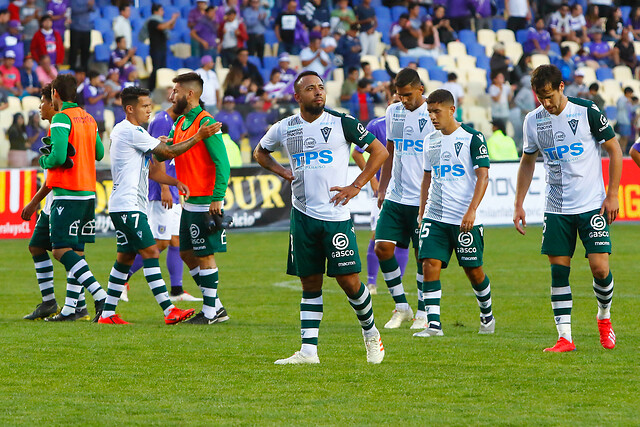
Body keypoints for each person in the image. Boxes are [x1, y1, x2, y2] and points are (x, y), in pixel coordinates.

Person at [254, 70, 388, 364]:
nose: (318, 92)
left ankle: (371, 334)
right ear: (297, 96)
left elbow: (379, 152)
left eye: (321, 87)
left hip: (335, 217)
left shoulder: (342, 123)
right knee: (310, 283)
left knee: (349, 282)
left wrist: (357, 185)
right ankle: (308, 351)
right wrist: (283, 172)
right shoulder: (285, 127)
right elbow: (260, 153)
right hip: (301, 217)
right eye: (310, 88)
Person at [514, 64, 622, 352]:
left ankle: (604, 317)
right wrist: (519, 203)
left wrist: (612, 195)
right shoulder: (533, 121)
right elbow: (527, 161)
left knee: (600, 269)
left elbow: (615, 148)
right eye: (540, 98)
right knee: (559, 271)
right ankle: (565, 338)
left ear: (562, 87)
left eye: (549, 96)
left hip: (591, 206)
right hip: (556, 207)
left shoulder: (586, 111)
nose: (546, 103)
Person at [98, 87, 219, 324]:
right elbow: (166, 152)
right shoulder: (131, 131)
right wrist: (198, 136)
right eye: (144, 105)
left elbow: (153, 169)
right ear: (130, 109)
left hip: (125, 205)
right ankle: (169, 309)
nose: (149, 109)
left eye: (149, 104)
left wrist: (174, 182)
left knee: (124, 258)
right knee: (152, 251)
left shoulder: (133, 132)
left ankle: (107, 313)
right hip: (129, 205)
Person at [22, 84, 107, 321]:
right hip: (84, 193)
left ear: (54, 98)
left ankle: (99, 297)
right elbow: (98, 153)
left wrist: (44, 160)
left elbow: (57, 162)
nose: (41, 106)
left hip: (65, 195)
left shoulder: (61, 121)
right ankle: (68, 307)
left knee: (62, 250)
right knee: (47, 247)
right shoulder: (88, 118)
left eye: (43, 100)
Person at [414, 88, 494, 338]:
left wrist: (472, 211)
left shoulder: (472, 138)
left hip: (464, 219)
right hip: (435, 216)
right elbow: (427, 177)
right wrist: (421, 210)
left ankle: (487, 314)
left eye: (437, 111)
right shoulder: (430, 140)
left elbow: (483, 176)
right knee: (429, 264)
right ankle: (434, 325)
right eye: (429, 112)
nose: (432, 117)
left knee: (474, 271)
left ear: (451, 110)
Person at [167, 72, 231, 324]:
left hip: (206, 200)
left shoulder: (207, 122)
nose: (172, 96)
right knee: (186, 252)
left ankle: (210, 313)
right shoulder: (180, 123)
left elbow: (222, 162)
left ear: (189, 94)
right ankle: (215, 306)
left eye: (176, 91)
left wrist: (218, 196)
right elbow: (168, 152)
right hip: (189, 200)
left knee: (205, 254)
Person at [375, 68, 435, 330]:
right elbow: (390, 150)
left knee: (424, 257)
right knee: (382, 247)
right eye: (399, 95)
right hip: (396, 196)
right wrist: (381, 188)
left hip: (426, 200)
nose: (403, 100)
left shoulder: (433, 114)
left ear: (420, 89)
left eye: (408, 95)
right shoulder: (393, 111)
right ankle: (402, 306)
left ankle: (423, 312)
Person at [352, 85, 409, 295]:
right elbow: (357, 153)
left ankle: (397, 284)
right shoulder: (376, 125)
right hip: (384, 191)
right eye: (394, 102)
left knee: (403, 239)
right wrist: (373, 182)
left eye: (400, 102)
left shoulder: (413, 125)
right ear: (388, 105)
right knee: (377, 235)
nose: (398, 106)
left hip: (407, 191)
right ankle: (372, 282)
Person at [147, 4, 179, 91]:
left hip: (162, 48)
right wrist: (172, 19)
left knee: (162, 69)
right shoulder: (152, 21)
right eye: (161, 10)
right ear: (156, 11)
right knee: (156, 70)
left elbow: (170, 26)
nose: (163, 12)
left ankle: (161, 88)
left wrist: (174, 19)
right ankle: (152, 89)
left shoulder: (161, 21)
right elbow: (161, 27)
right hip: (156, 49)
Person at [69, 0, 93, 72]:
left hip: (87, 28)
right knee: (74, 51)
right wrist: (87, 5)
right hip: (76, 28)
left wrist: (90, 5)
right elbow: (73, 9)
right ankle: (72, 71)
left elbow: (93, 9)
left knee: (86, 52)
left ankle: (84, 71)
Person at [615, 87, 634, 153]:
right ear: (628, 93)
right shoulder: (621, 99)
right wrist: (626, 101)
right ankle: (618, 151)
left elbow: (631, 109)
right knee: (623, 136)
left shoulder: (629, 100)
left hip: (627, 121)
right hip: (622, 120)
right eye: (631, 93)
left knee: (626, 137)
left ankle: (623, 151)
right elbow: (619, 107)